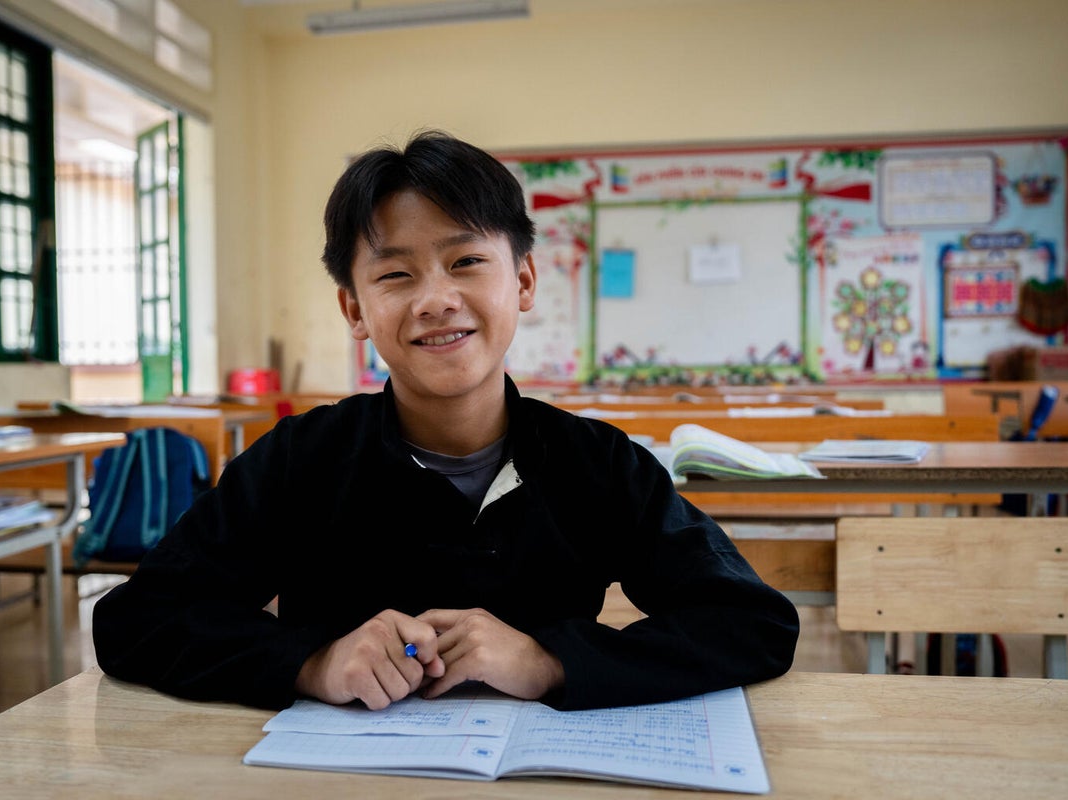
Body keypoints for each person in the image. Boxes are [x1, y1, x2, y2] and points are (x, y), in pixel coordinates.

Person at [92, 130, 799, 713]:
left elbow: (752, 623)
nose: (436, 299)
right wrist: (312, 661)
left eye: (465, 261)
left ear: (521, 281)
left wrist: (550, 660)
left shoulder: (598, 464)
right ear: (355, 311)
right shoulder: (301, 460)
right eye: (395, 275)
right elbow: (136, 619)